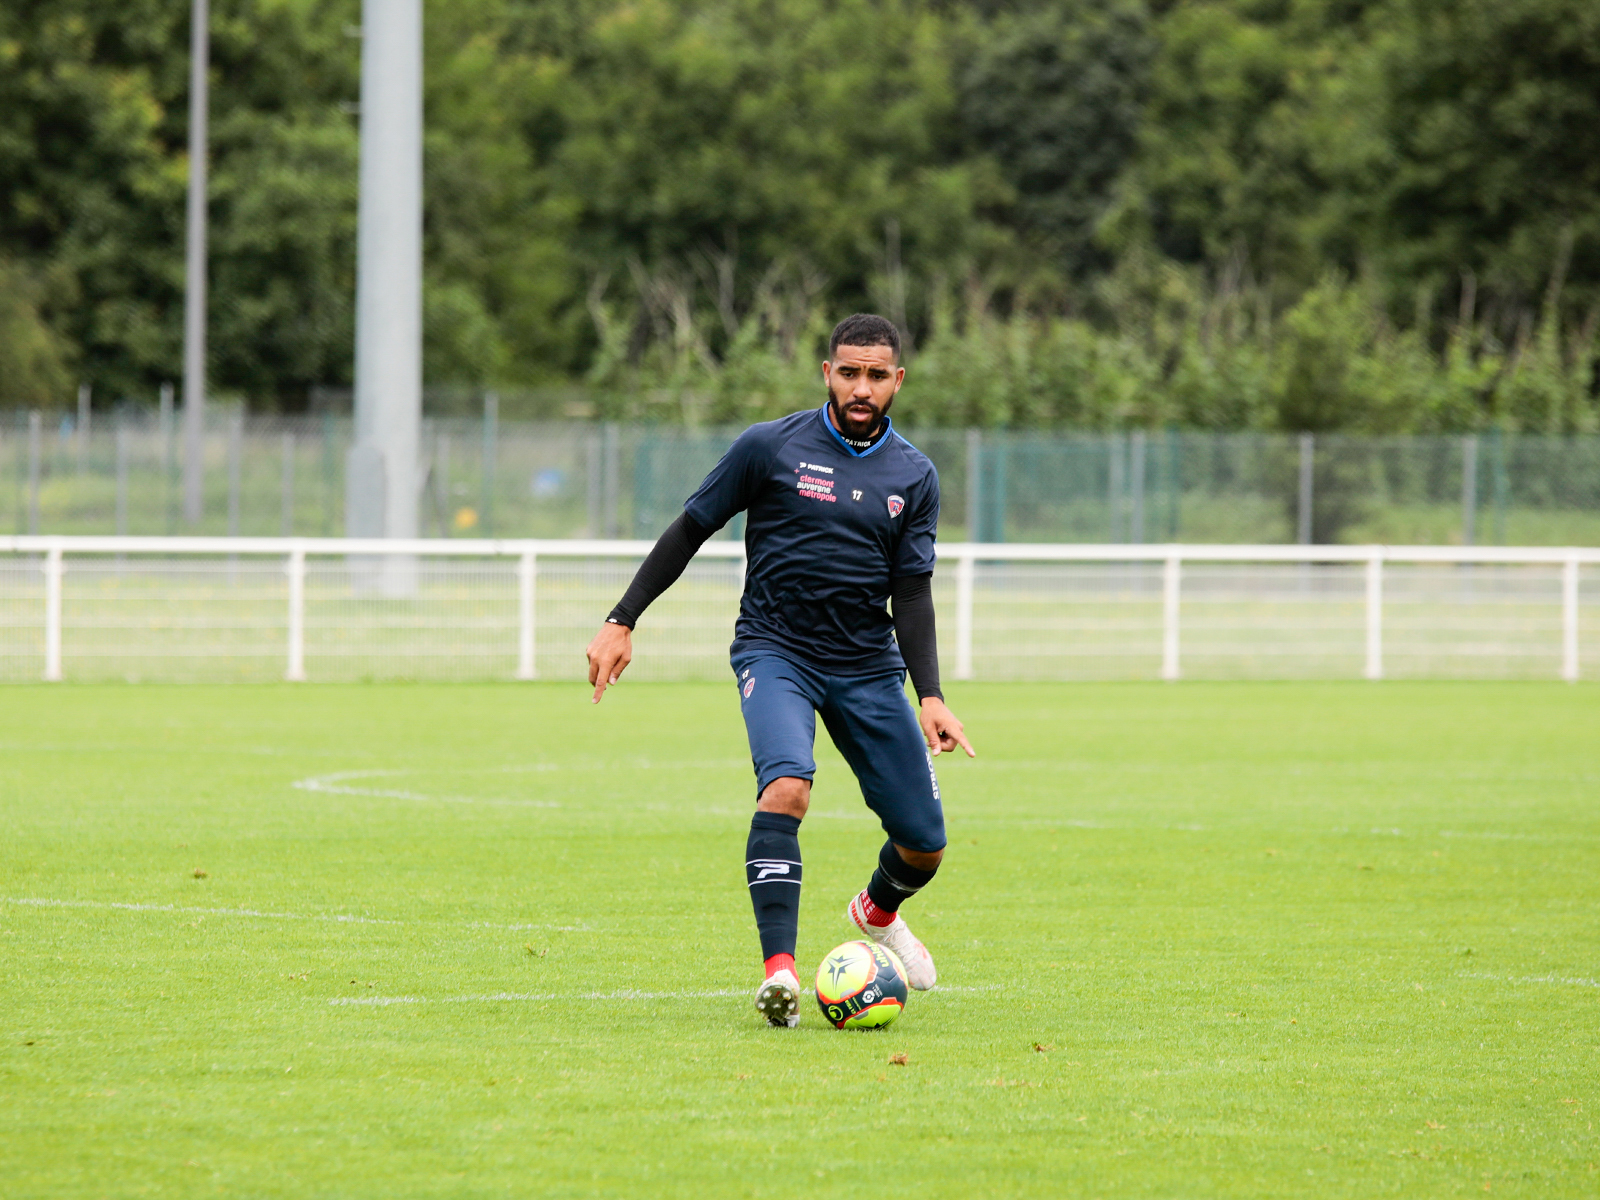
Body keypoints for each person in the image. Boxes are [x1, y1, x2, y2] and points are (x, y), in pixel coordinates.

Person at [585, 313, 974, 1027]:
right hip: (777, 651)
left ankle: (877, 913)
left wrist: (933, 696)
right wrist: (622, 618)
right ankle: (782, 975)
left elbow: (912, 590)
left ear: (898, 381)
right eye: (849, 372)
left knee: (925, 845)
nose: (862, 387)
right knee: (788, 788)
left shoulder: (914, 475)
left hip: (865, 664)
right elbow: (691, 527)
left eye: (876, 375)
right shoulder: (770, 447)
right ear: (826, 372)